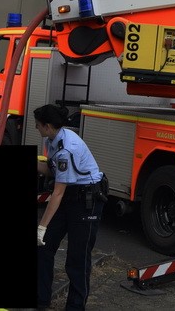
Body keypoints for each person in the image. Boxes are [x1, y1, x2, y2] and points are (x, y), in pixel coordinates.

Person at [34, 104, 105, 311]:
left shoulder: (67, 148)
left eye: (38, 125)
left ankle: (75, 307)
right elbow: (51, 170)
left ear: (47, 126)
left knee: (77, 259)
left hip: (86, 202)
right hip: (71, 197)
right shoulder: (53, 140)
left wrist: (41, 227)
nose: (37, 129)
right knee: (43, 248)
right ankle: (41, 299)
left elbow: (57, 192)